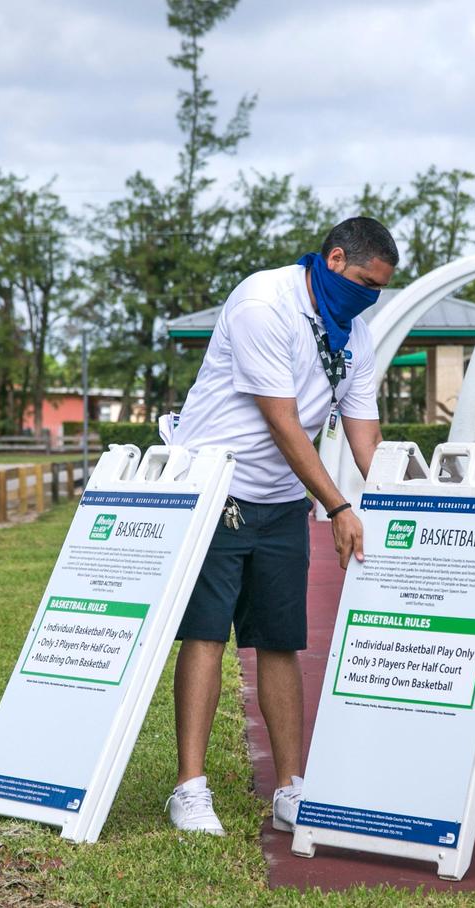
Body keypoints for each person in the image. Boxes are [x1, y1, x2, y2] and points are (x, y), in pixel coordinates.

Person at [162, 217, 398, 835]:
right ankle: (190, 788)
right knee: (207, 635)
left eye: (380, 290)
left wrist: (410, 500)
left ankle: (293, 788)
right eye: (365, 284)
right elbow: (284, 423)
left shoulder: (357, 335)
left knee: (279, 640)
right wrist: (340, 507)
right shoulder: (264, 303)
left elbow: (364, 433)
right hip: (217, 487)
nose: (369, 298)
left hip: (283, 501)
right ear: (335, 258)